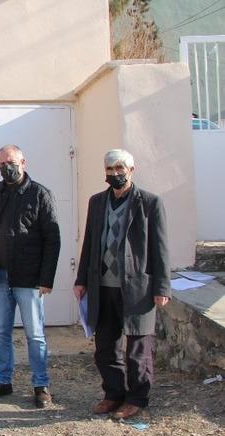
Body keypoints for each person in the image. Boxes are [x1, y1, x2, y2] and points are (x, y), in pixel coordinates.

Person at [74, 149, 170, 420]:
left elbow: (160, 248)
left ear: (131, 170)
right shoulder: (97, 202)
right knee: (105, 345)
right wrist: (81, 279)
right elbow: (90, 243)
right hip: (102, 286)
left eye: (120, 168)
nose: (115, 174)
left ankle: (137, 398)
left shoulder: (150, 203)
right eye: (110, 169)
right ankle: (113, 393)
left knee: (139, 348)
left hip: (138, 288)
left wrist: (162, 287)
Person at [0, 145, 61, 408]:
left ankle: (41, 384)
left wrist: (46, 278)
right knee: (1, 332)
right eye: (1, 164)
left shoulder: (39, 194)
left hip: (29, 278)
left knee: (35, 334)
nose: (6, 167)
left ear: (23, 162)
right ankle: (3, 380)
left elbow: (52, 239)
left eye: (10, 162)